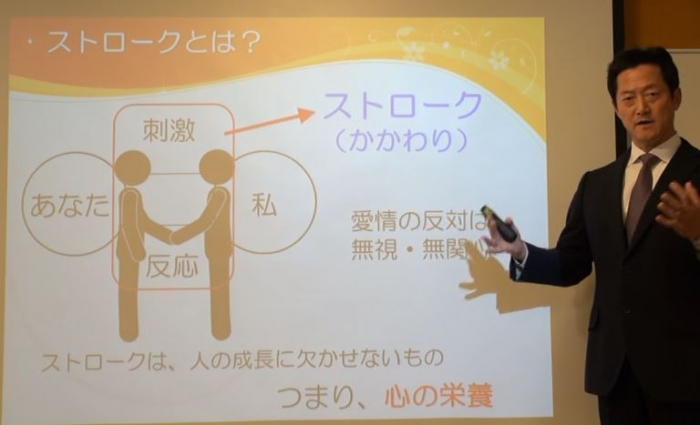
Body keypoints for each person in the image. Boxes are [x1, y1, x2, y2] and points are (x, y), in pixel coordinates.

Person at [482, 46, 700, 425]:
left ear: (676, 97)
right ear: (615, 108)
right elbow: (570, 264)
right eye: (628, 98)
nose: (641, 108)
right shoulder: (596, 184)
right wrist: (520, 251)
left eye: (652, 94)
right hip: (615, 371)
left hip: (686, 370)